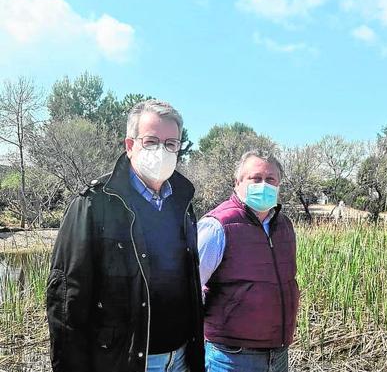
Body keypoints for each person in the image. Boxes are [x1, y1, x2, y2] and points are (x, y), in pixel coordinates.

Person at [46, 100, 204, 372]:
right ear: (130, 146)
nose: (162, 151)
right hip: (124, 361)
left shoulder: (183, 201)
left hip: (180, 358)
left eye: (171, 144)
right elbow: (66, 299)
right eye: (151, 141)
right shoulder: (95, 203)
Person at [198, 150, 299, 372]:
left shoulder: (284, 226)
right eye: (256, 179)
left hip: (278, 354)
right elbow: (189, 290)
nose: (264, 185)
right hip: (231, 356)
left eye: (270, 179)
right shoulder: (217, 226)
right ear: (237, 182)